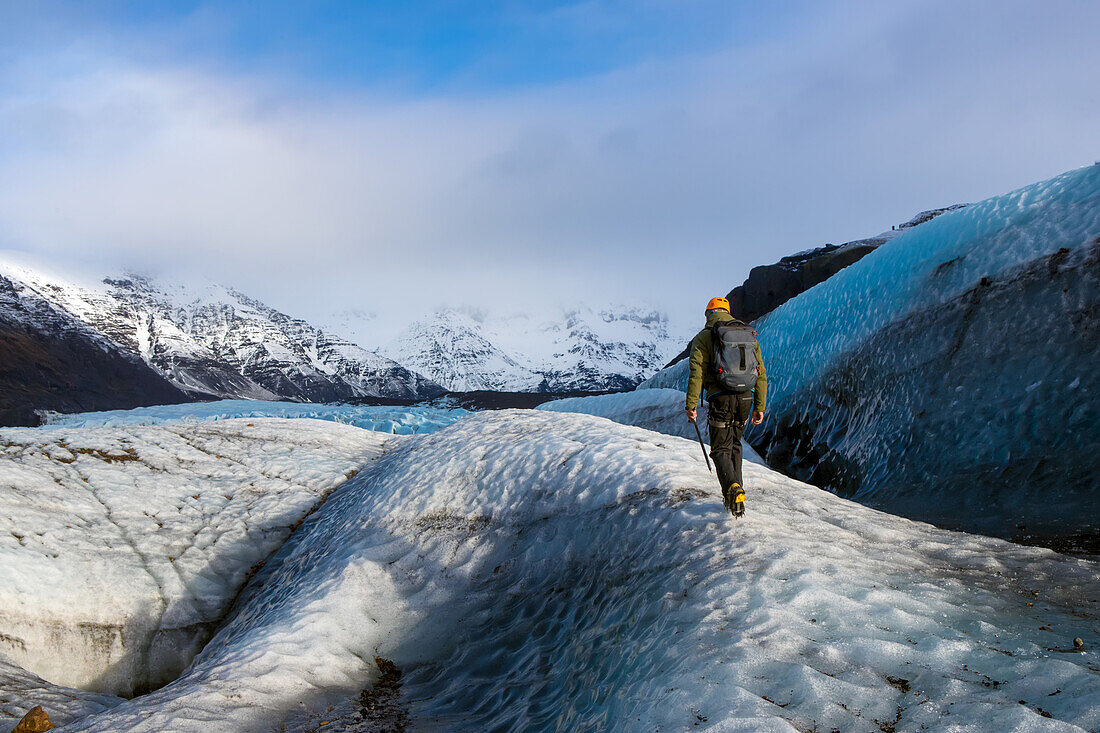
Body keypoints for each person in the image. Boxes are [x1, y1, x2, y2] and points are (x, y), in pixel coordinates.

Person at [685, 296, 767, 517]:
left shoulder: (704, 337)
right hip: (745, 399)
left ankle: (732, 488)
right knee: (735, 445)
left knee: (720, 448)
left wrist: (691, 404)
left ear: (708, 314)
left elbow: (697, 373)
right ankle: (737, 494)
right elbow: (760, 373)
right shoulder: (747, 335)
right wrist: (760, 405)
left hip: (721, 398)